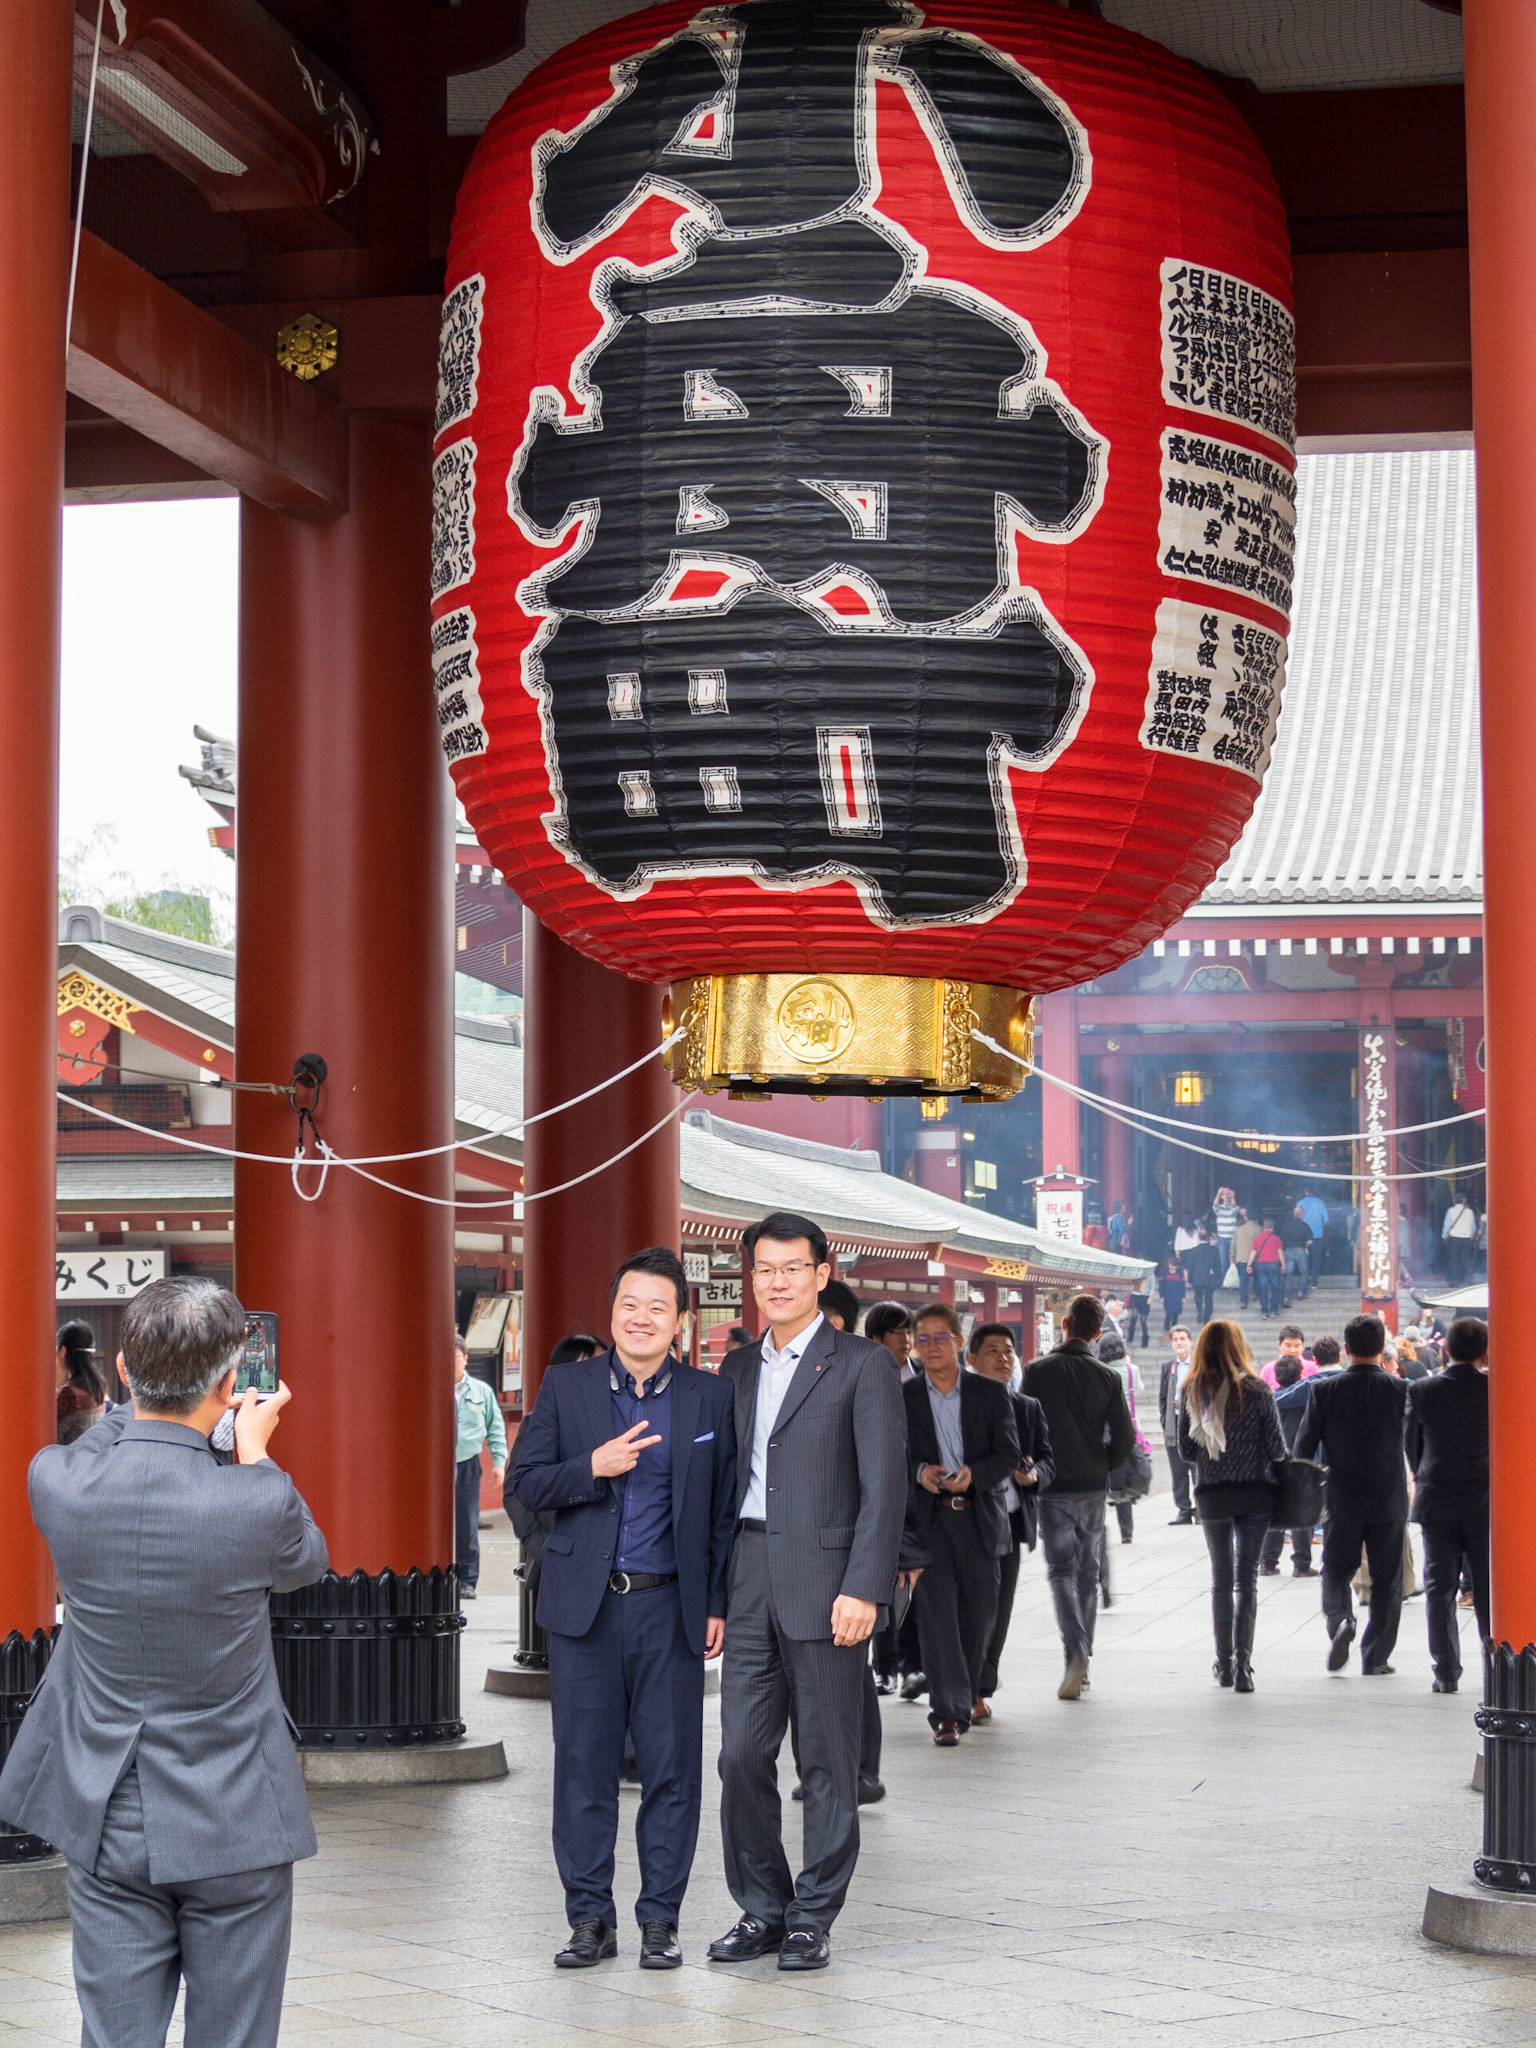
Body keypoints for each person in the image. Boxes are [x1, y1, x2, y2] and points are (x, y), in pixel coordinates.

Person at [0, 1277, 328, 2048]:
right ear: (230, 1380)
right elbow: (305, 1561)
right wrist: (254, 1448)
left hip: (106, 1803)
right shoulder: (258, 1502)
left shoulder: (59, 1482)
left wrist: (146, 1399)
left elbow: (108, 1438)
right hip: (237, 1811)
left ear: (121, 1371)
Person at [511, 1249, 736, 1971]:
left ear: (680, 1322)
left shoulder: (709, 1397)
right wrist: (592, 1467)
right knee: (583, 1769)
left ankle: (660, 1921)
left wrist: (718, 1601)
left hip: (671, 1607)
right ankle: (589, 1920)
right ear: (612, 1313)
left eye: (657, 1307)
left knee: (673, 1772)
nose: (641, 1318)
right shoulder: (567, 1386)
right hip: (587, 1613)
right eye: (629, 1305)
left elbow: (724, 1511)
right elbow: (525, 1483)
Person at [711, 1212, 906, 1973]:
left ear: (821, 1275)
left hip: (829, 1585)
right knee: (739, 1756)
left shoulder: (862, 1364)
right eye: (765, 1269)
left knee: (825, 1759)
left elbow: (885, 1487)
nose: (778, 1282)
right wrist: (715, 1595)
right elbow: (722, 1488)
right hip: (748, 1575)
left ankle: (812, 1915)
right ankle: (762, 1907)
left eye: (793, 1268)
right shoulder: (737, 1369)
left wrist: (866, 1587)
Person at [902, 1304, 1018, 1745]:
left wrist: (976, 1475)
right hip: (930, 1523)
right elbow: (892, 1454)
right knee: (937, 1618)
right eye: (923, 1339)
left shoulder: (989, 1393)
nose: (932, 1346)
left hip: (979, 1518)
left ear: (958, 1341)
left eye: (941, 1337)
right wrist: (920, 1473)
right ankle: (947, 1713)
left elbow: (1008, 1454)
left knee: (978, 1617)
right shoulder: (905, 1397)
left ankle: (965, 1694)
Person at [1021, 1295, 1134, 1701]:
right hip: (1092, 1486)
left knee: (1060, 1573)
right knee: (1088, 1573)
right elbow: (1125, 1437)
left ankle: (1075, 1653)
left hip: (1053, 1486)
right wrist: (1103, 1463)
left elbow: (1022, 1425)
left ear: (1064, 1325)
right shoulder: (1107, 1377)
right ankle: (1083, 1661)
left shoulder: (1037, 1371)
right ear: (1097, 1334)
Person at [1294, 1314, 1409, 1676]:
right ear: (1381, 1348)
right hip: (1388, 1497)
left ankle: (1341, 1620)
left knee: (1336, 1569)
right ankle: (1376, 1656)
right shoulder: (1400, 1391)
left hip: (1341, 1498)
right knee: (1387, 1578)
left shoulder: (1324, 1391)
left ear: (1346, 1349)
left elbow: (1303, 1447)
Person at [1178, 1320, 1285, 1692]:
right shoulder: (1258, 1390)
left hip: (1213, 1495)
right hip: (1256, 1494)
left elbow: (1186, 1451)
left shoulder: (1193, 1390)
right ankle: (1243, 1668)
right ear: (1239, 1347)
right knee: (1247, 1580)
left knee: (1221, 1581)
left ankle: (1223, 1665)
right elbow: (1277, 1448)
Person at [968, 1324, 1054, 1715]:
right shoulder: (956, 1406)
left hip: (1010, 1520)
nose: (1003, 1358)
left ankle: (980, 1688)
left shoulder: (1028, 1407)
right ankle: (963, 1687)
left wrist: (1033, 1475)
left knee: (999, 1611)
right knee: (972, 1609)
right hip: (966, 1521)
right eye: (993, 1351)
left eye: (1008, 1351)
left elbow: (1048, 1460)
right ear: (971, 1359)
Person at [1405, 1315, 1490, 1694]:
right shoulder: (1493, 1388)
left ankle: (1446, 1672)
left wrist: (1423, 1475)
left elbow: (1412, 1445)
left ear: (1446, 1349)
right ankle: (1497, 1668)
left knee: (1439, 1588)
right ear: (1485, 1351)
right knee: (1487, 1589)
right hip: (1484, 1501)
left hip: (1437, 1498)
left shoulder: (1422, 1389)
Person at [454, 1333, 507, 1601]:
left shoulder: (481, 1391)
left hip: (467, 1464)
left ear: (465, 1358)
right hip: (436, 1469)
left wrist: (499, 1463)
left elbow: (496, 1428)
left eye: (455, 1357)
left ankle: (467, 1580)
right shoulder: (432, 1386)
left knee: (467, 1524)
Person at [1259, 1355, 1317, 1577]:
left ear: (1275, 1376)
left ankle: (1267, 1562)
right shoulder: (1305, 1399)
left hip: (1273, 1460)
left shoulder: (1268, 1400)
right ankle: (1301, 1564)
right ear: (1300, 1375)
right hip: (1299, 1460)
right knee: (1302, 1511)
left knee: (1275, 1510)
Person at [1097, 1333, 1141, 1544]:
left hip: (1101, 1432)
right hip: (1124, 1432)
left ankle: (1096, 1526)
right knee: (1122, 1485)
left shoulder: (1098, 1371)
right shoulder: (1132, 1370)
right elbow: (1138, 1390)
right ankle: (1127, 1531)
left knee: (1099, 1483)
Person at [1159, 1326, 1196, 1524]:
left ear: (1190, 1341)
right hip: (1174, 1425)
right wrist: (1165, 1422)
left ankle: (1201, 1509)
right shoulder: (1169, 1367)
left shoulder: (1200, 1364)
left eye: (1183, 1338)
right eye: (1176, 1339)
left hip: (1195, 1425)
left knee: (1198, 1470)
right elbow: (1163, 1398)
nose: (1179, 1342)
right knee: (1178, 1472)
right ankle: (1183, 1510)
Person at [55, 1319, 107, 1444]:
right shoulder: (97, 1386)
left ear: (63, 1351)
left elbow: (47, 1438)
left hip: (68, 1456)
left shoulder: (68, 1394)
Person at [1183, 1228, 1222, 1328]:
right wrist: (1219, 1278)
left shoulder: (1194, 1250)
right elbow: (1218, 1265)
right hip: (1209, 1277)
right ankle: (1206, 1318)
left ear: (1199, 1237)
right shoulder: (1214, 1250)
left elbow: (1190, 1266)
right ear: (1208, 1237)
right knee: (1209, 1299)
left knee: (1198, 1296)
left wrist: (1189, 1279)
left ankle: (1200, 1310)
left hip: (1197, 1276)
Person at [1248, 1215, 1285, 1318]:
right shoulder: (1276, 1238)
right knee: (1275, 1288)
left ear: (1264, 1226)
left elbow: (1253, 1253)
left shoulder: (1258, 1238)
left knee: (1263, 1288)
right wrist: (1283, 1265)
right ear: (1273, 1227)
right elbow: (1280, 1253)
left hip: (1261, 1265)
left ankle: (1264, 1311)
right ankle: (1273, 1310)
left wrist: (1249, 1265)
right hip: (1273, 1265)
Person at [1259, 1325, 1314, 1389]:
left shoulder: (1312, 1368)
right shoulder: (1267, 1369)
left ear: (1303, 1346)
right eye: (1288, 1346)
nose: (1292, 1350)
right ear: (1279, 1345)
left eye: (1297, 1346)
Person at [1280, 1204, 1314, 1305]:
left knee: (1287, 1275)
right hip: (1300, 1250)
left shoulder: (1285, 1225)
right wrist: (1305, 1246)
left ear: (1294, 1214)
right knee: (1304, 1272)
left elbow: (1281, 1239)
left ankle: (1285, 1298)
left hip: (1287, 1250)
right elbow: (1310, 1241)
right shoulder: (1305, 1225)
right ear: (1301, 1215)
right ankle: (1300, 1292)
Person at [1441, 1193, 1478, 1285]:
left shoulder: (1450, 1211)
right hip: (1466, 1238)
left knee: (1454, 1260)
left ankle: (1454, 1281)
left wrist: (1444, 1236)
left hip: (1454, 1238)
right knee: (1466, 1260)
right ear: (1464, 1201)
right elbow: (1473, 1227)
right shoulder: (1470, 1212)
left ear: (1454, 1201)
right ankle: (1468, 1280)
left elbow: (1447, 1225)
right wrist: (1471, 1237)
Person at [1297, 1187, 1329, 1287]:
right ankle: (1314, 1281)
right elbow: (1326, 1220)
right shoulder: (1321, 1203)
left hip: (1303, 1235)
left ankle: (1305, 1279)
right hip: (1317, 1234)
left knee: (1304, 1258)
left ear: (1305, 1191)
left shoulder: (1300, 1203)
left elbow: (1297, 1218)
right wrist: (1319, 1225)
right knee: (1316, 1258)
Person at [1231, 1208, 1259, 1309]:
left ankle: (1243, 1301)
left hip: (1242, 1258)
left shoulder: (1239, 1229)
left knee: (1243, 1281)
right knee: (1257, 1277)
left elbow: (1233, 1244)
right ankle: (1255, 1293)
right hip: (1256, 1258)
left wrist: (1232, 1257)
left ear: (1247, 1218)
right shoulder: (1259, 1229)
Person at [1157, 1255, 1186, 1334]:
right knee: (1168, 1313)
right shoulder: (1164, 1273)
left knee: (1176, 1314)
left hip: (1177, 1295)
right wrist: (1161, 1296)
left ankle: (1174, 1329)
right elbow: (1161, 1286)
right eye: (1170, 1265)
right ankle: (1166, 1329)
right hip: (1168, 1296)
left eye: (1173, 1265)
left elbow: (1182, 1285)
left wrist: (1183, 1296)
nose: (1172, 1267)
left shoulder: (1180, 1273)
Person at [1124, 1278, 1151, 1350]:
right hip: (1135, 1295)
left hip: (1145, 1296)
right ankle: (1130, 1336)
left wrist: (1151, 1296)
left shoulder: (1151, 1274)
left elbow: (1153, 1286)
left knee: (1143, 1320)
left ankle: (1145, 1339)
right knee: (1134, 1316)